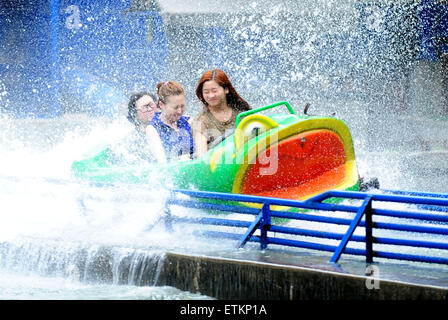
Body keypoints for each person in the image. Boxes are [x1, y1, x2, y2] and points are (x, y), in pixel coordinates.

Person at [192, 68, 251, 157]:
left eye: (214, 91)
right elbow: (201, 156)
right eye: (206, 92)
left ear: (226, 89)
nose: (211, 95)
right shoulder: (201, 120)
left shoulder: (241, 113)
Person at [146, 81, 195, 163]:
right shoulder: (152, 129)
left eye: (182, 106)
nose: (180, 111)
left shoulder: (189, 122)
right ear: (161, 105)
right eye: (175, 107)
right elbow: (162, 164)